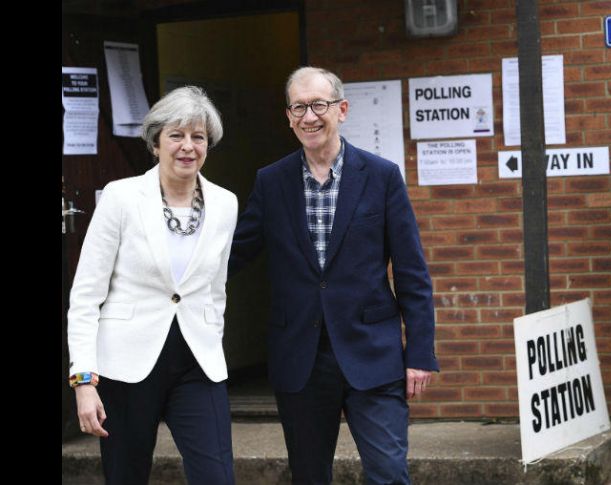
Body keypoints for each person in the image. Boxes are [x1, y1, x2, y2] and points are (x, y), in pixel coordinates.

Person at [229, 66, 439, 485]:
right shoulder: (271, 182)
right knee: (309, 476)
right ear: (288, 117)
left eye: (319, 105)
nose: (310, 116)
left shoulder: (381, 176)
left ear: (341, 109)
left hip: (373, 353)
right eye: (299, 107)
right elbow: (233, 254)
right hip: (300, 358)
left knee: (389, 473)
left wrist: (419, 353)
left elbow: (412, 271)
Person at [67, 86, 238, 484]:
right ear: (155, 142)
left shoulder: (225, 203)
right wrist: (84, 381)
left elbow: (217, 288)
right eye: (176, 135)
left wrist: (213, 335)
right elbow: (86, 296)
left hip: (198, 363)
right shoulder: (121, 197)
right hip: (126, 366)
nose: (188, 146)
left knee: (217, 475)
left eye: (198, 137)